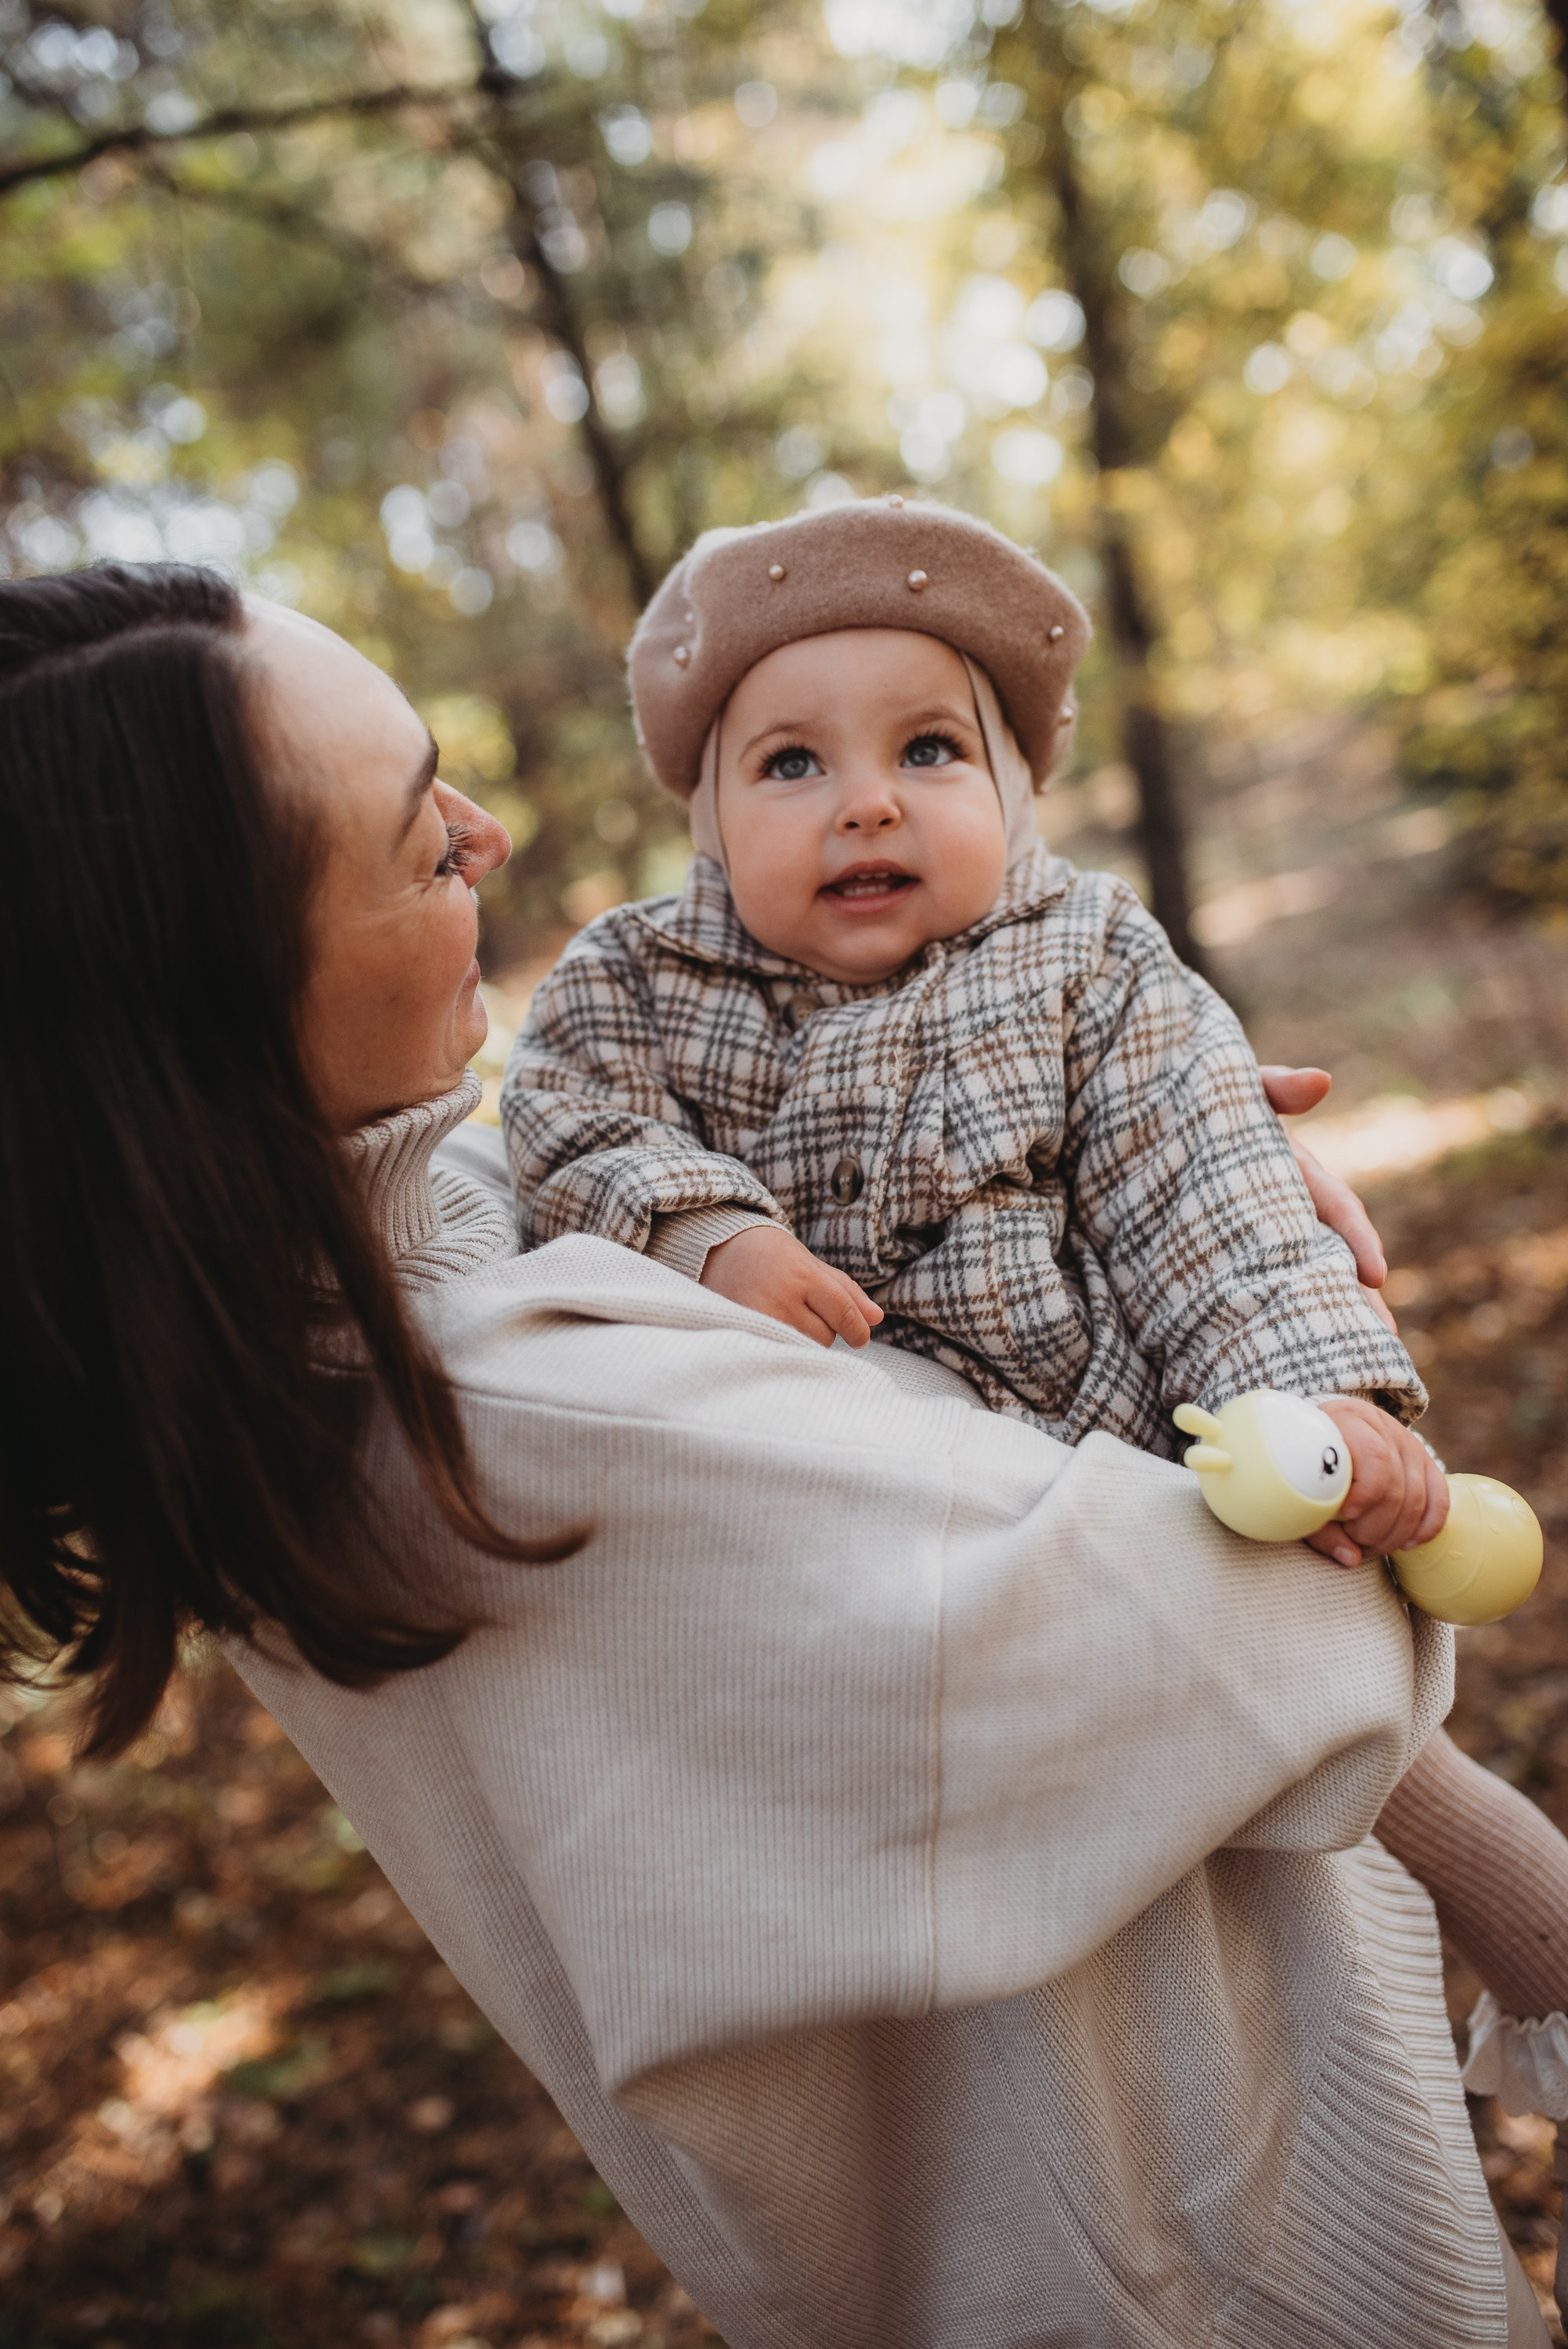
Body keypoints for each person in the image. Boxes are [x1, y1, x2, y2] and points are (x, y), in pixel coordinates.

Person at [2, 561, 1563, 2347]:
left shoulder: (328, 1323)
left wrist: (1146, 1148)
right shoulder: (527, 1409)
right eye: (416, 842)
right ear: (215, 991)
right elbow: (1290, 1627)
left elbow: (624, 1169)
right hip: (1204, 2259)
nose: (492, 832)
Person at [503, 498, 1443, 1575]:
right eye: (791, 764)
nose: (865, 803)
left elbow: (1206, 1189)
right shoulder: (640, 976)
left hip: (1100, 1473)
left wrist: (1307, 1399)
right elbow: (569, 1120)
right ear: (710, 824)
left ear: (1012, 796)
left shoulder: (1087, 958)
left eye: (930, 747)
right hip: (817, 1509)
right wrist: (702, 1233)